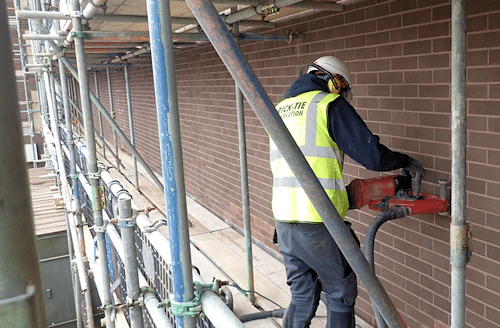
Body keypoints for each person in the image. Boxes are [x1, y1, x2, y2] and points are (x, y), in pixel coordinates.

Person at [269, 56, 424, 328]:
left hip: (284, 221)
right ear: (334, 81)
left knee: (302, 294)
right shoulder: (327, 104)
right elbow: (372, 156)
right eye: (342, 87)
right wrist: (405, 161)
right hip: (320, 223)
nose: (341, 93)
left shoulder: (281, 108)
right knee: (340, 294)